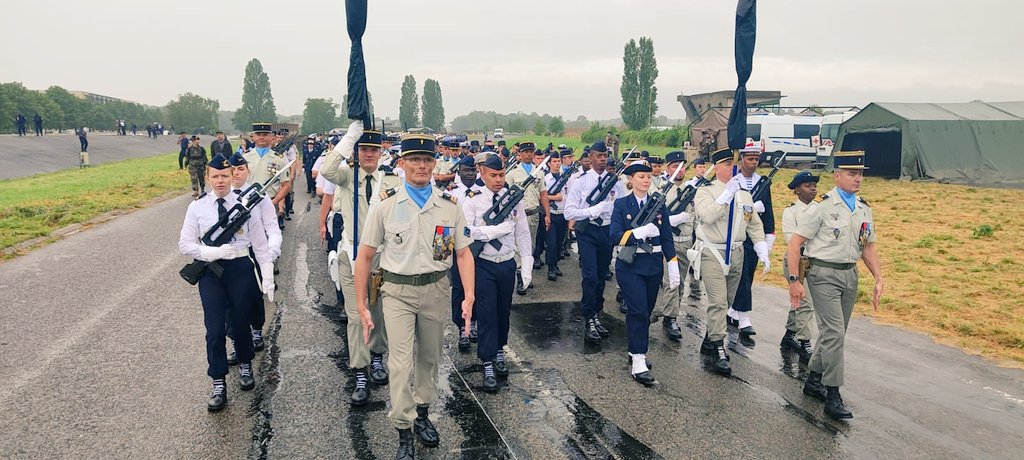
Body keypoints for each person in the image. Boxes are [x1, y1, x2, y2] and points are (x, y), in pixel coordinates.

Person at [354, 134, 475, 459]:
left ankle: (422, 413)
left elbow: (462, 254)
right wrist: (361, 305)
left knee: (430, 359)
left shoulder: (449, 208)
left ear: (435, 164)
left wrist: (469, 296)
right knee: (400, 363)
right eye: (414, 160)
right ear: (402, 164)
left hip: (436, 290)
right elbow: (364, 257)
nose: (421, 166)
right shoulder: (386, 206)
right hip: (398, 293)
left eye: (427, 160)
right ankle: (404, 429)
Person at [787, 151, 883, 421]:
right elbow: (795, 245)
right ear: (837, 175)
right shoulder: (821, 206)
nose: (858, 179)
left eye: (861, 174)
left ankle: (814, 379)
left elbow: (867, 246)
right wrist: (794, 282)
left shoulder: (864, 208)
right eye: (852, 174)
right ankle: (833, 392)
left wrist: (878, 277)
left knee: (836, 333)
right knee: (834, 334)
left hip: (849, 274)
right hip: (823, 274)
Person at [177, 154, 274, 412]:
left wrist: (267, 275)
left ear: (233, 177)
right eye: (215, 176)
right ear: (207, 178)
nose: (220, 181)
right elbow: (185, 244)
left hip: (241, 269)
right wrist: (212, 253)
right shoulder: (197, 207)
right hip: (211, 272)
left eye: (225, 176)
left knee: (241, 322)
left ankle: (245, 365)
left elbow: (261, 245)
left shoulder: (244, 207)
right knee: (215, 329)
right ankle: (218, 382)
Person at [319, 121, 402, 406]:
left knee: (377, 311)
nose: (368, 154)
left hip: (381, 256)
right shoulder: (346, 175)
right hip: (352, 255)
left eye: (373, 149)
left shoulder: (391, 180)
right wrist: (349, 137)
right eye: (363, 149)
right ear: (357, 151)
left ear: (381, 152)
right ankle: (361, 372)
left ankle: (378, 356)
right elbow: (327, 170)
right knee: (356, 315)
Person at [692, 148, 769, 375]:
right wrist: (726, 195)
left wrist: (761, 247)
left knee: (726, 300)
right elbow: (707, 216)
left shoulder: (744, 194)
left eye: (733, 164)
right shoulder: (705, 192)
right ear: (716, 168)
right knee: (717, 301)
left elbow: (753, 222)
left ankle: (709, 337)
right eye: (726, 164)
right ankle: (718, 346)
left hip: (736, 252)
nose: (731, 168)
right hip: (713, 252)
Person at [461, 153, 532, 392]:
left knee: (503, 311)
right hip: (483, 264)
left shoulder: (513, 198)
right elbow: (465, 232)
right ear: (481, 172)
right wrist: (494, 231)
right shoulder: (473, 199)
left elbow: (522, 232)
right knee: (487, 313)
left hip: (507, 263)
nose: (499, 179)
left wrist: (527, 265)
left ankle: (500, 349)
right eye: (493, 175)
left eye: (502, 175)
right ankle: (488, 361)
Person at [610, 160, 678, 385]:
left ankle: (634, 349)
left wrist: (672, 263)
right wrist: (637, 232)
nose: (646, 180)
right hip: (630, 266)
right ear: (631, 180)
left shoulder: (658, 204)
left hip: (653, 265)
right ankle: (639, 358)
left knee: (645, 312)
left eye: (648, 177)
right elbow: (614, 236)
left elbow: (667, 235)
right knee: (638, 310)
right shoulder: (621, 204)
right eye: (641, 177)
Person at [563, 141, 625, 344]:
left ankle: (597, 313)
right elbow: (569, 212)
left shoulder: (615, 182)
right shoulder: (580, 181)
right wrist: (592, 211)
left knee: (601, 276)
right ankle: (589, 317)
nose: (602, 159)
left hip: (606, 231)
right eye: (598, 156)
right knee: (589, 276)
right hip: (587, 230)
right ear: (590, 158)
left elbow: (623, 207)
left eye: (605, 156)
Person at [226, 152, 282, 363]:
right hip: (229, 254)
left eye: (240, 169)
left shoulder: (259, 195)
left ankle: (256, 329)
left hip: (255, 252)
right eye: (232, 169)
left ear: (248, 171)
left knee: (254, 296)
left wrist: (272, 251)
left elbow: (272, 227)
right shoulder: (221, 196)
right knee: (230, 302)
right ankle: (237, 341)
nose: (236, 173)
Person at [727, 147, 776, 338]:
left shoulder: (762, 182)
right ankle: (744, 317)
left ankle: (733, 311)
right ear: (742, 160)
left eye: (757, 159)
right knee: (741, 276)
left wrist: (768, 236)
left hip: (755, 235)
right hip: (738, 234)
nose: (754, 162)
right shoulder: (734, 181)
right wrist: (750, 208)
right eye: (750, 159)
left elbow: (769, 211)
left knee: (748, 274)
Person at [651, 151, 695, 341]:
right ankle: (670, 318)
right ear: (668, 168)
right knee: (671, 282)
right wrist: (673, 219)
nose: (680, 169)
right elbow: (655, 217)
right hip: (668, 244)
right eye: (675, 165)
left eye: (682, 166)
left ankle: (671, 311)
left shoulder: (691, 190)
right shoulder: (660, 190)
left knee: (681, 282)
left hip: (686, 243)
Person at [779, 170, 819, 364]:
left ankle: (789, 334)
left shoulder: (821, 209)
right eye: (807, 185)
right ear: (797, 190)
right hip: (797, 261)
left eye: (814, 185)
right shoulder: (790, 212)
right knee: (806, 302)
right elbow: (792, 241)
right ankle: (805, 342)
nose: (812, 188)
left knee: (800, 301)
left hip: (816, 261)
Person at [504, 141, 545, 295]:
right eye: (525, 152)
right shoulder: (512, 173)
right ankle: (520, 277)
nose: (528, 154)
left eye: (530, 152)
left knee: (531, 246)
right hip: (518, 215)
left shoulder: (539, 172)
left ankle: (527, 275)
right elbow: (505, 195)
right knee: (517, 247)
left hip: (533, 214)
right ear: (519, 154)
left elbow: (543, 193)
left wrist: (547, 214)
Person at [449, 155, 480, 352]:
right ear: (459, 171)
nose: (470, 174)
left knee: (476, 288)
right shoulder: (451, 194)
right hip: (456, 248)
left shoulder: (482, 192)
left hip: (478, 247)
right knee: (459, 289)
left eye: (472, 170)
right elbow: (444, 222)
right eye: (466, 171)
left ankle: (475, 323)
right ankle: (462, 329)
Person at [243, 123, 291, 230]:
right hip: (248, 203)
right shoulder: (245, 158)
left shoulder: (279, 159)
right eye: (258, 134)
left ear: (271, 137)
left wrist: (275, 201)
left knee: (270, 236)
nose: (261, 137)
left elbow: (286, 185)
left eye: (265, 134)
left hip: (270, 201)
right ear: (253, 137)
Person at [541, 152, 568, 281]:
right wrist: (553, 197)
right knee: (551, 242)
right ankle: (550, 267)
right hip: (550, 214)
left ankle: (556, 264)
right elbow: (541, 196)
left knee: (559, 242)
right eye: (554, 161)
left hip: (563, 214)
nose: (557, 164)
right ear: (549, 164)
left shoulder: (566, 178)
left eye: (558, 161)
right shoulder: (545, 179)